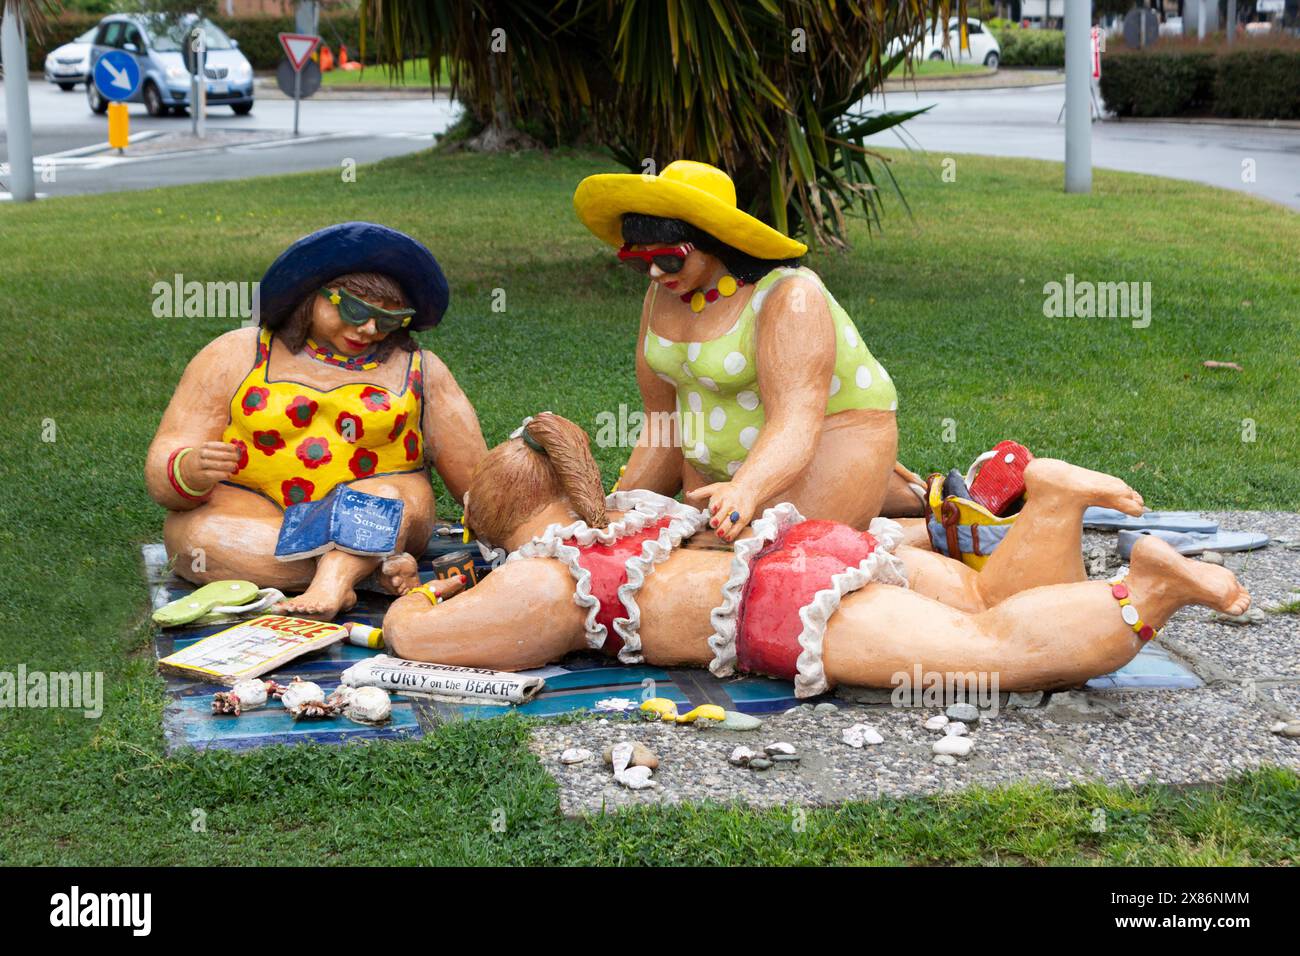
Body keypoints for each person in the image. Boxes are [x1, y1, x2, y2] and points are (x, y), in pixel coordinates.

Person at [384, 414, 1249, 695]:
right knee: (986, 603)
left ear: (499, 524)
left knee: (994, 658)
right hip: (818, 546)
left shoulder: (543, 580)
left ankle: (1149, 591)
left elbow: (417, 644)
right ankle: (1052, 501)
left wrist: (413, 594)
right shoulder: (625, 512)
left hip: (791, 606)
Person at [146, 222, 487, 620]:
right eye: (355, 310)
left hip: (382, 505)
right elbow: (166, 460)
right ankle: (365, 570)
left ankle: (333, 581)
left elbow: (474, 478)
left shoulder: (419, 369)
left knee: (383, 504)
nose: (370, 329)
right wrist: (190, 469)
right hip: (255, 511)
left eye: (390, 320)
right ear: (309, 295)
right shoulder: (236, 353)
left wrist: (519, 529)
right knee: (205, 537)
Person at [572, 160, 925, 544]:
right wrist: (618, 509)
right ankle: (903, 499)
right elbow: (663, 420)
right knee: (667, 543)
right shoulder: (662, 296)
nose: (656, 273)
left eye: (670, 258)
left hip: (825, 439)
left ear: (715, 240)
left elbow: (795, 421)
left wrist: (748, 488)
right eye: (639, 262)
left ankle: (929, 528)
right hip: (720, 464)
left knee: (771, 550)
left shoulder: (789, 297)